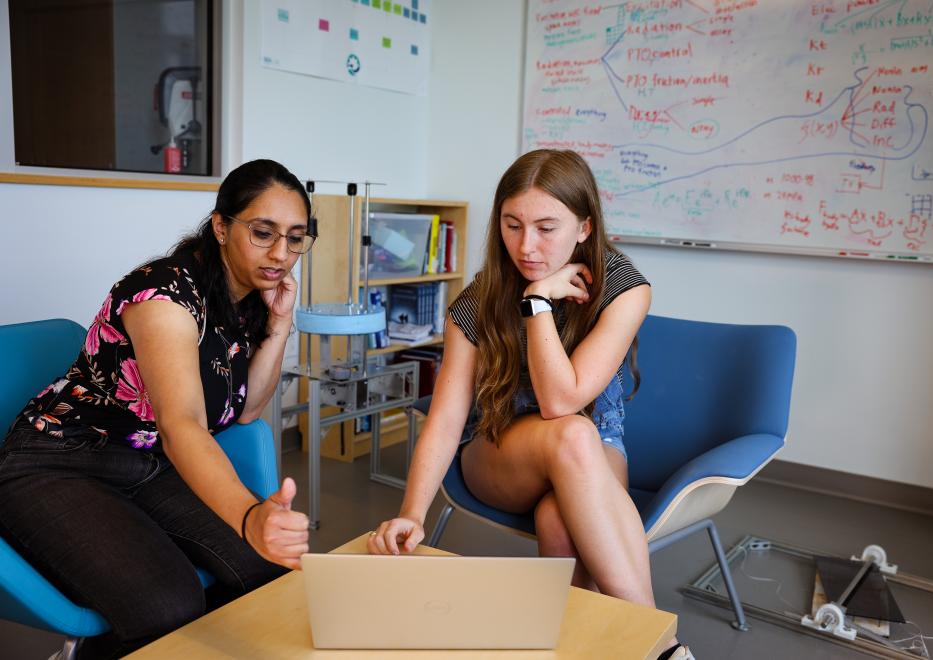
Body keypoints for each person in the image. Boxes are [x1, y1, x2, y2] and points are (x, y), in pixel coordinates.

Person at [368, 150, 693, 659]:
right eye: (512, 225)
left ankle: (578, 647)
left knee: (559, 515)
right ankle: (661, 644)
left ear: (584, 228)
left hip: (590, 444)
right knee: (571, 434)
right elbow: (451, 414)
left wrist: (537, 302)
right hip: (498, 450)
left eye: (547, 228)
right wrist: (411, 512)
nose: (526, 246)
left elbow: (566, 397)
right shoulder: (478, 301)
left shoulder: (625, 290)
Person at [0, 159, 313, 659]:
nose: (281, 253)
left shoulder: (248, 297)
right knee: (168, 606)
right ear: (221, 226)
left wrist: (278, 327)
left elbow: (248, 410)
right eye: (263, 232)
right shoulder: (165, 293)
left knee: (263, 570)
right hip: (57, 461)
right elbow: (181, 426)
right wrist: (250, 514)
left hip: (145, 465)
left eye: (296, 238)